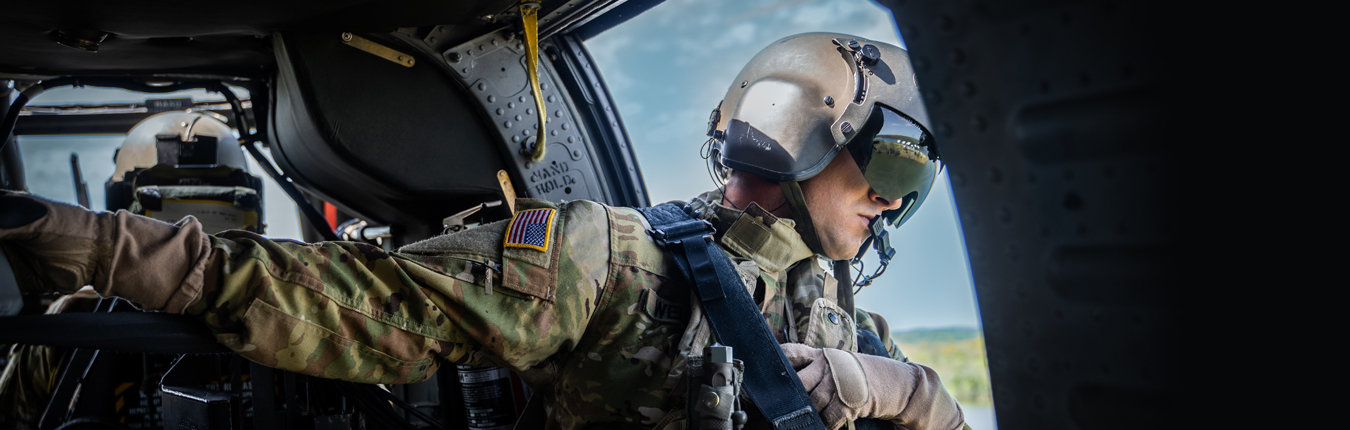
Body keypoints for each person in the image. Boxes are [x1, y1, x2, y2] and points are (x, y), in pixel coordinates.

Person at [0, 33, 966, 430]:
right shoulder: (608, 256)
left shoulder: (833, 308)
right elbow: (354, 306)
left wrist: (904, 388)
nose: (894, 204)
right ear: (802, 133)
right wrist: (100, 248)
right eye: (895, 170)